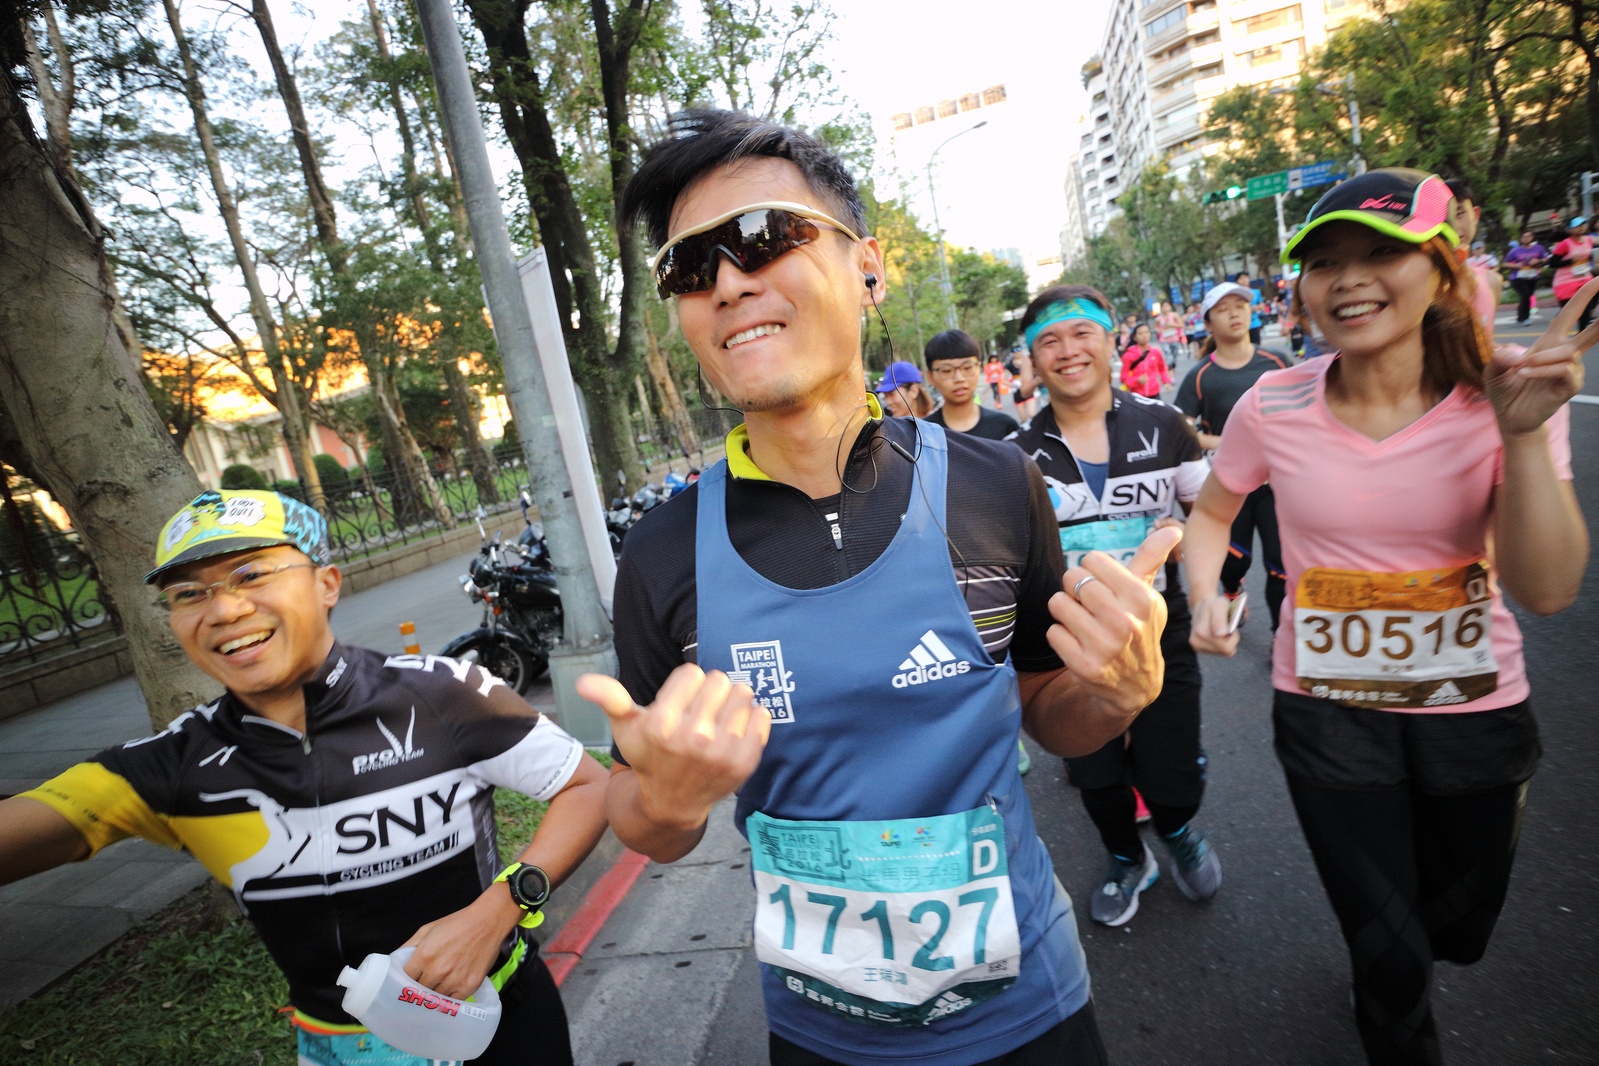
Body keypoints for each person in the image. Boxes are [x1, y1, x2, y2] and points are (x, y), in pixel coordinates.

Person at [590, 108, 1179, 1066]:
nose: (729, 283)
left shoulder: (995, 484)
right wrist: (665, 802)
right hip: (819, 1034)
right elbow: (644, 820)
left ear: (867, 268)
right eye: (689, 268)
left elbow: (1052, 715)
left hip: (1031, 1007)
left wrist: (1117, 693)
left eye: (763, 237)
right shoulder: (662, 553)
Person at [1183, 168, 1591, 1066]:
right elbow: (1212, 511)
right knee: (1389, 953)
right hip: (1325, 711)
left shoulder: (1503, 396)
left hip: (1474, 710)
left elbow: (1548, 589)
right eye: (1324, 261)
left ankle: (1402, 958)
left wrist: (1523, 435)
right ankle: (1391, 1002)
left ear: (1442, 271)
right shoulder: (1273, 403)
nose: (1348, 279)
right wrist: (1204, 594)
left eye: (1381, 253)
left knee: (1457, 931)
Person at [0, 490, 610, 1066]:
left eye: (251, 575)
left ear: (326, 584)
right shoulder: (173, 765)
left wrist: (501, 907)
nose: (224, 609)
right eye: (188, 593)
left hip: (499, 1017)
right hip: (337, 1047)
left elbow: (586, 786)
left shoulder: (443, 694)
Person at [1009, 285, 1218, 928]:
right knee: (1094, 772)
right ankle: (1127, 857)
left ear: (1109, 342)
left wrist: (1191, 552)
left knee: (1171, 768)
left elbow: (1211, 515)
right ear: (1033, 359)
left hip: (1159, 628)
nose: (1068, 351)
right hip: (1064, 642)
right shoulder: (1013, 456)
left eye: (1082, 334)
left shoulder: (1165, 424)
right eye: (1049, 341)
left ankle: (1177, 830)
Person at [1174, 282, 1290, 630]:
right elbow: (1182, 431)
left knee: (1279, 564)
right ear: (1208, 323)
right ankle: (1231, 588)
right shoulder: (1200, 377)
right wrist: (1229, 442)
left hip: (1276, 483)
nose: (1234, 314)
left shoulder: (1278, 362)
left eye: (1240, 305)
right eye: (1223, 310)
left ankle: (1280, 635)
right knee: (1235, 558)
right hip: (1228, 485)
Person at [925, 329, 1020, 439]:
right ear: (930, 377)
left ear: (978, 368)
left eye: (967, 368)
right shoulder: (922, 435)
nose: (959, 378)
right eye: (947, 370)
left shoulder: (1005, 427)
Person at [1446, 179, 1502, 339]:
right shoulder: (1417, 285)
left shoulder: (1492, 283)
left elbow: (1486, 343)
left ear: (1475, 215)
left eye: (1459, 214)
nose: (1453, 226)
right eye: (1444, 218)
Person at [1550, 216, 1595, 332]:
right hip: (1566, 282)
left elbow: (1589, 255)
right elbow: (1552, 263)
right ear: (1570, 229)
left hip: (1585, 279)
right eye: (1577, 226)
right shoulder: (1565, 244)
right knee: (1569, 313)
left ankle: (1581, 335)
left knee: (1586, 309)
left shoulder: (1588, 240)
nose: (1581, 228)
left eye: (1583, 225)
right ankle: (1554, 333)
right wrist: (1570, 261)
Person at [1503, 230, 1549, 324]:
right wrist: (1516, 265)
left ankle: (1520, 316)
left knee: (1526, 296)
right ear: (1521, 239)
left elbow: (1546, 259)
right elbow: (1505, 263)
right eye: (1524, 237)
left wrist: (1538, 261)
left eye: (1528, 236)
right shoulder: (1515, 251)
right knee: (1526, 295)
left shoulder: (1538, 248)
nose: (1526, 238)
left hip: (1532, 276)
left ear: (1532, 238)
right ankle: (1526, 318)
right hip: (1517, 278)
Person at [1118, 323, 1171, 398]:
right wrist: (1136, 380)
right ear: (1135, 337)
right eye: (1140, 333)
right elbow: (1123, 377)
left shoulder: (1155, 352)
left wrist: (1166, 381)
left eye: (1146, 332)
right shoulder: (1129, 355)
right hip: (1137, 395)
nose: (1144, 335)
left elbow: (1162, 368)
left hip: (1154, 393)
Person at [1154, 300, 1187, 369]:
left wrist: (1172, 325)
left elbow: (1181, 325)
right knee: (1167, 353)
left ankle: (1172, 365)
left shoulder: (1174, 315)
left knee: (1174, 354)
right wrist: (1159, 330)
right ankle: (1169, 367)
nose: (1165, 308)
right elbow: (1155, 327)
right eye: (1163, 306)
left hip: (1174, 338)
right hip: (1164, 339)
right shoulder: (1158, 318)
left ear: (1170, 307)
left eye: (1167, 306)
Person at [1235, 272, 1264, 346]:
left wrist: (1257, 307)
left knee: (1256, 345)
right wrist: (1249, 310)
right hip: (1241, 325)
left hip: (1254, 323)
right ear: (1237, 281)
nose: (1244, 280)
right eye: (1241, 279)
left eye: (1245, 278)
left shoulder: (1256, 292)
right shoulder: (1236, 295)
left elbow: (1262, 305)